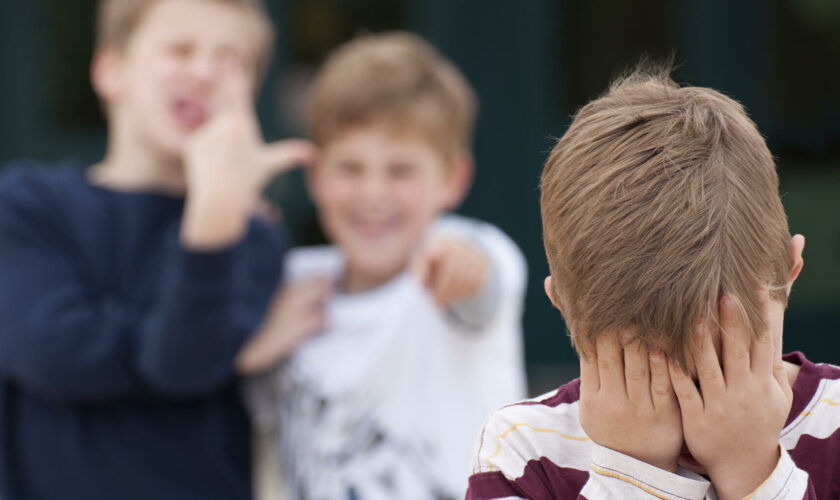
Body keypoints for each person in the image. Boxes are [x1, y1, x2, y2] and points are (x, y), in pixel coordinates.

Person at [466, 67, 839, 499]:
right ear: (564, 307)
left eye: (724, 358)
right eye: (649, 365)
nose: (700, 410)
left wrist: (752, 470)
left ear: (789, 273)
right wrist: (633, 474)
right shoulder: (523, 451)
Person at [0, 1, 320, 499]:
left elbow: (182, 363)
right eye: (180, 49)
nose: (203, 72)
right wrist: (229, 357)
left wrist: (215, 214)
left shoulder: (252, 237)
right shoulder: (29, 206)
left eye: (230, 59)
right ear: (111, 71)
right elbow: (50, 351)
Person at [244, 32, 528, 500]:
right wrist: (256, 343)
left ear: (452, 178)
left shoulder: (462, 250)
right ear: (315, 176)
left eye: (401, 171)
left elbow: (483, 284)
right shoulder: (293, 282)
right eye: (350, 169)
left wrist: (461, 266)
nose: (373, 194)